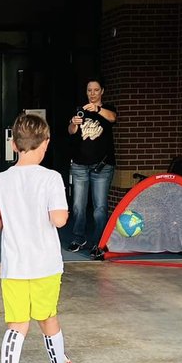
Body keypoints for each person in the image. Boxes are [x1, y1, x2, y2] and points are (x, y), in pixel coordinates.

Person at [0, 113, 72, 363]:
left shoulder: (0, 180)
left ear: (13, 144)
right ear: (45, 144)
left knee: (16, 324)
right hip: (46, 264)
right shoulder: (51, 178)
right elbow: (59, 219)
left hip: (15, 265)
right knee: (48, 317)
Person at [65, 78, 118, 259]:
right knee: (78, 206)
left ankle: (99, 243)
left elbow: (113, 118)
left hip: (102, 166)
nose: (92, 93)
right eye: (89, 90)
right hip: (80, 165)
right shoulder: (80, 109)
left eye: (96, 90)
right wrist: (74, 122)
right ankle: (79, 239)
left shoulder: (108, 109)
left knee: (100, 207)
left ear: (102, 91)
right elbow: (71, 131)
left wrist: (97, 109)